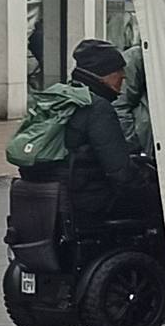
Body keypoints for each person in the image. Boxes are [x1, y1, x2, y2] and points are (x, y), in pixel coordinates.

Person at [46, 39, 159, 228]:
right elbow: (120, 172)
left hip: (56, 194)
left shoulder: (62, 96)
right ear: (105, 75)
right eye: (119, 74)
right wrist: (150, 192)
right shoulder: (97, 108)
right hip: (88, 199)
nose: (123, 78)